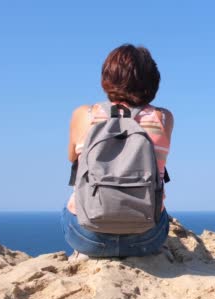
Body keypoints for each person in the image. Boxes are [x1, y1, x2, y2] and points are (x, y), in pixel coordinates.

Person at [61, 44, 174, 260]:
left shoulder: (84, 114)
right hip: (147, 238)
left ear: (107, 77)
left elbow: (72, 158)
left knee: (68, 208)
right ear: (153, 81)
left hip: (88, 237)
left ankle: (84, 251)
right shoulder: (164, 118)